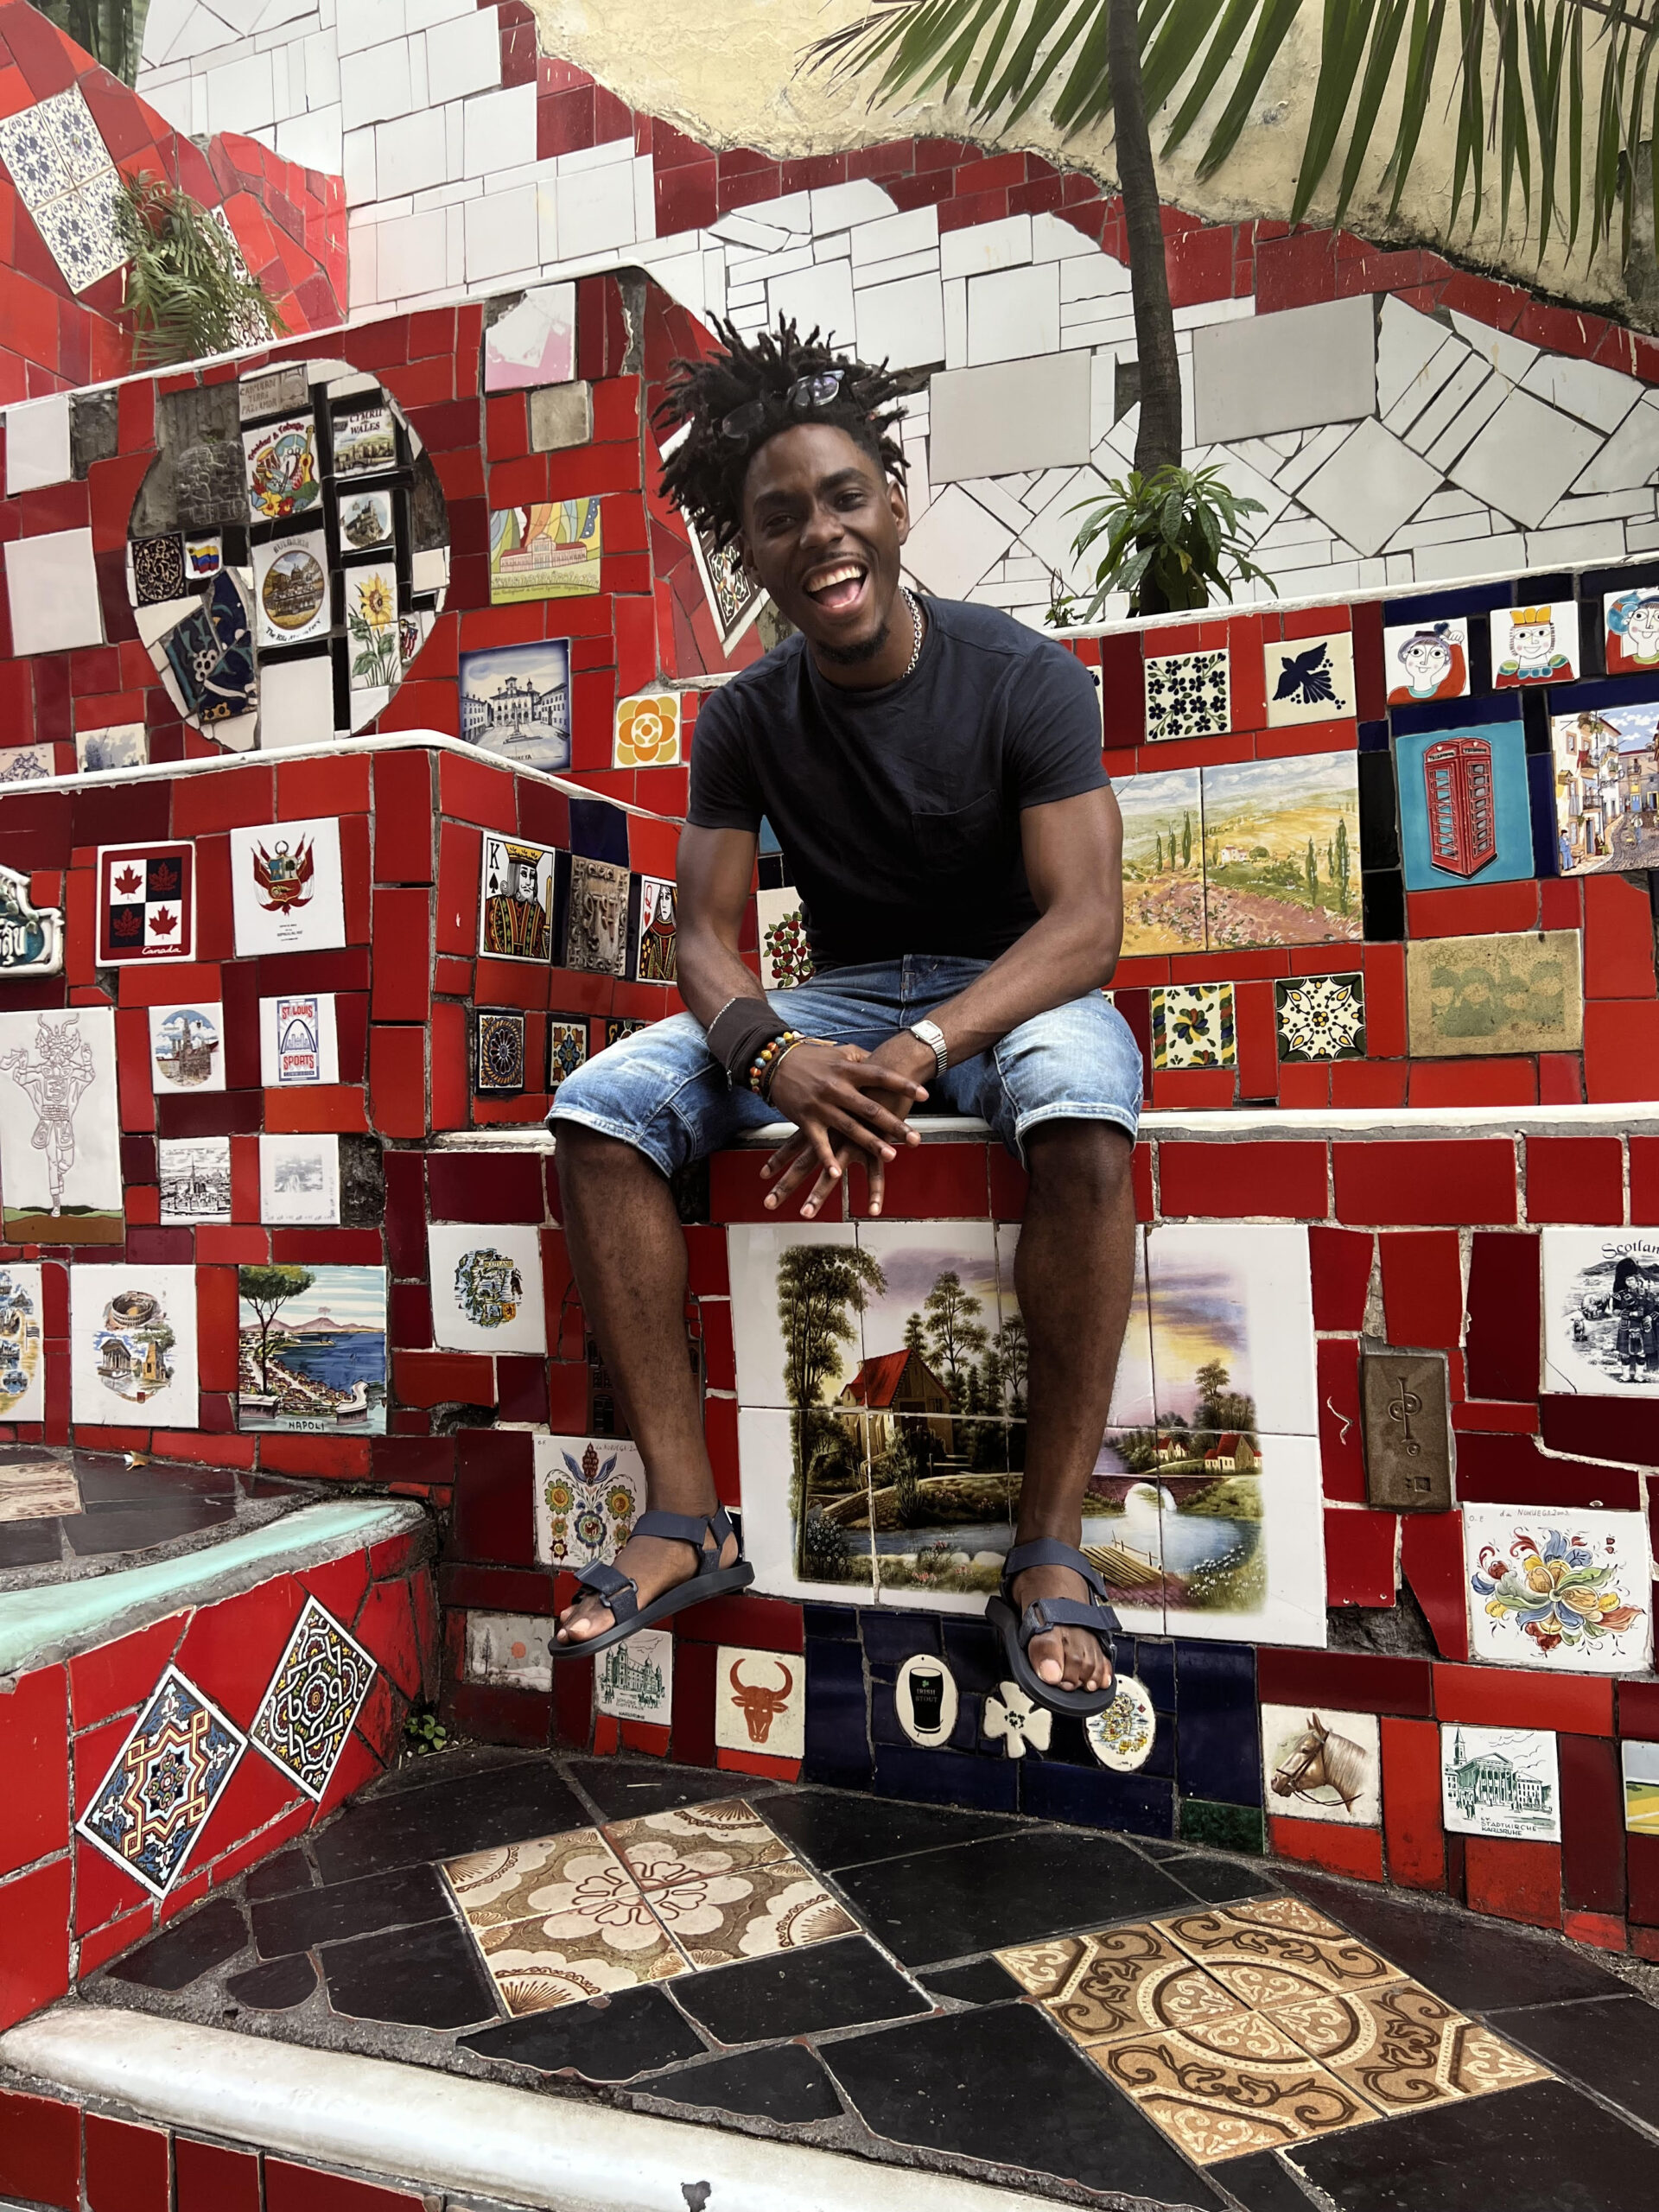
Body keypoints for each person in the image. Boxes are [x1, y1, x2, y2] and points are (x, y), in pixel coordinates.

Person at [546, 319, 1141, 1715]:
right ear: (747, 556)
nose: (820, 535)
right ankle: (686, 1518)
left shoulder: (1023, 676)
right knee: (602, 1111)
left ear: (894, 497)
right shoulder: (746, 716)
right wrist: (775, 1050)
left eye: (842, 498)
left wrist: (927, 1047)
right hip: (847, 995)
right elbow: (701, 932)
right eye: (779, 519)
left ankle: (1048, 1549)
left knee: (1079, 1110)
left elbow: (1086, 925)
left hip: (1017, 979)